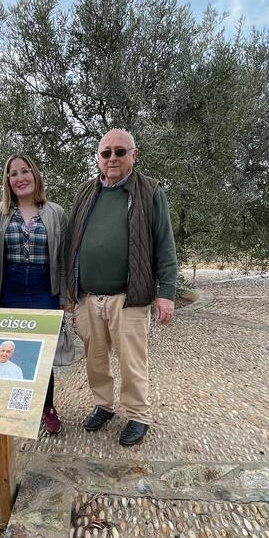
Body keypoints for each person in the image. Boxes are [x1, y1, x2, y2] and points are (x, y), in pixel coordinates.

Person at [67, 129, 177, 447]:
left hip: (128, 297)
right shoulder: (85, 192)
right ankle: (103, 405)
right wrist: (68, 292)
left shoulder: (149, 191)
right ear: (98, 158)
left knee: (132, 362)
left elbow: (164, 244)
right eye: (106, 153)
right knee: (95, 360)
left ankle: (138, 414)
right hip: (88, 297)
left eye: (119, 151)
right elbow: (71, 242)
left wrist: (166, 293)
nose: (112, 158)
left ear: (134, 155)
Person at [0, 154, 68, 434]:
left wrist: (65, 296)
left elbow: (64, 257)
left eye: (25, 171)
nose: (20, 178)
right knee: (15, 350)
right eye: (13, 173)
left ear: (35, 175)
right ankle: (19, 405)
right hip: (10, 290)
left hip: (44, 289)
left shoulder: (55, 212)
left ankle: (47, 407)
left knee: (43, 355)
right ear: (7, 180)